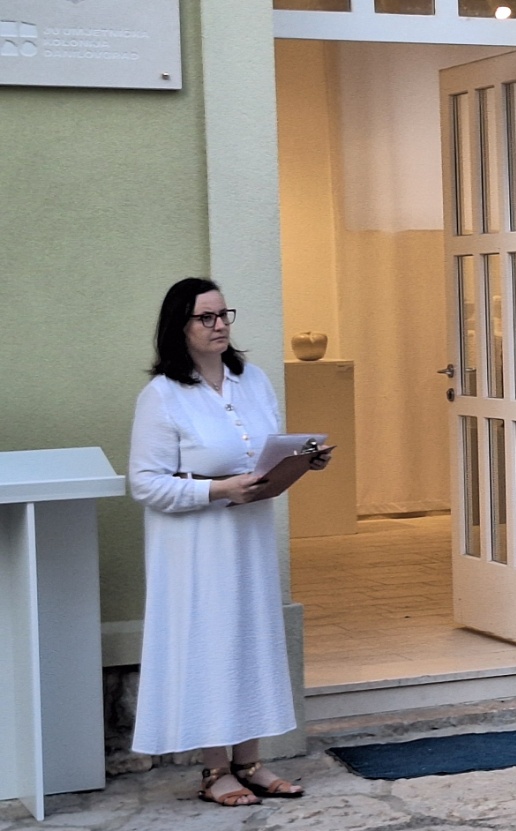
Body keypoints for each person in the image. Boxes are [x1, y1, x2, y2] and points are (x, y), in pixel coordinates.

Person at [128, 278, 327, 806]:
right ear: (180, 326)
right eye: (206, 317)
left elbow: (262, 453)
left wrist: (300, 460)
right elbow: (144, 484)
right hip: (196, 549)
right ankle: (216, 770)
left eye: (223, 315)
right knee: (211, 647)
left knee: (250, 641)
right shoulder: (163, 395)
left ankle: (251, 762)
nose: (219, 326)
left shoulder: (252, 380)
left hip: (248, 539)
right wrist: (218, 490)